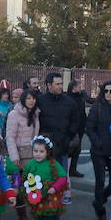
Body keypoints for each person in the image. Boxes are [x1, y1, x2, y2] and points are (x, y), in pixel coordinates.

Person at [86, 80, 111, 220]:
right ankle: (101, 212)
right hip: (99, 152)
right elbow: (90, 128)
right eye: (106, 91)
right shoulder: (97, 108)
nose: (108, 94)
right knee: (100, 181)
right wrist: (98, 143)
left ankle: (98, 201)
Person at [37, 73, 78, 205]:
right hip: (45, 149)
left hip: (63, 147)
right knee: (45, 178)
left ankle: (57, 207)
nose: (61, 86)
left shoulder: (69, 101)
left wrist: (69, 137)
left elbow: (76, 121)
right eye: (57, 84)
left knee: (61, 178)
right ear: (49, 85)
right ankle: (44, 205)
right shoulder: (40, 100)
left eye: (61, 84)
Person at [23, 135, 68, 220]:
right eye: (35, 151)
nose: (38, 154)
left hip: (50, 197)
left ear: (47, 152)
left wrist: (54, 187)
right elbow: (24, 179)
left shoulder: (53, 163)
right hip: (36, 198)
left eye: (41, 151)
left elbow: (63, 177)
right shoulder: (30, 164)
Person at [5, 88, 39, 220]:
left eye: (33, 98)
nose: (31, 101)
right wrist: (14, 155)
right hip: (18, 155)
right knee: (18, 187)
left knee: (32, 185)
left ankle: (35, 210)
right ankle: (22, 215)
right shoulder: (14, 114)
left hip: (32, 155)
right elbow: (10, 137)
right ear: (23, 99)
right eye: (29, 98)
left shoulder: (35, 114)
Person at [66, 79, 88, 178]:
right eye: (78, 86)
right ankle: (67, 170)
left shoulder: (79, 98)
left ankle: (72, 170)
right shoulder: (69, 99)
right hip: (72, 130)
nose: (80, 88)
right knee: (70, 151)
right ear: (74, 88)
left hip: (80, 129)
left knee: (77, 151)